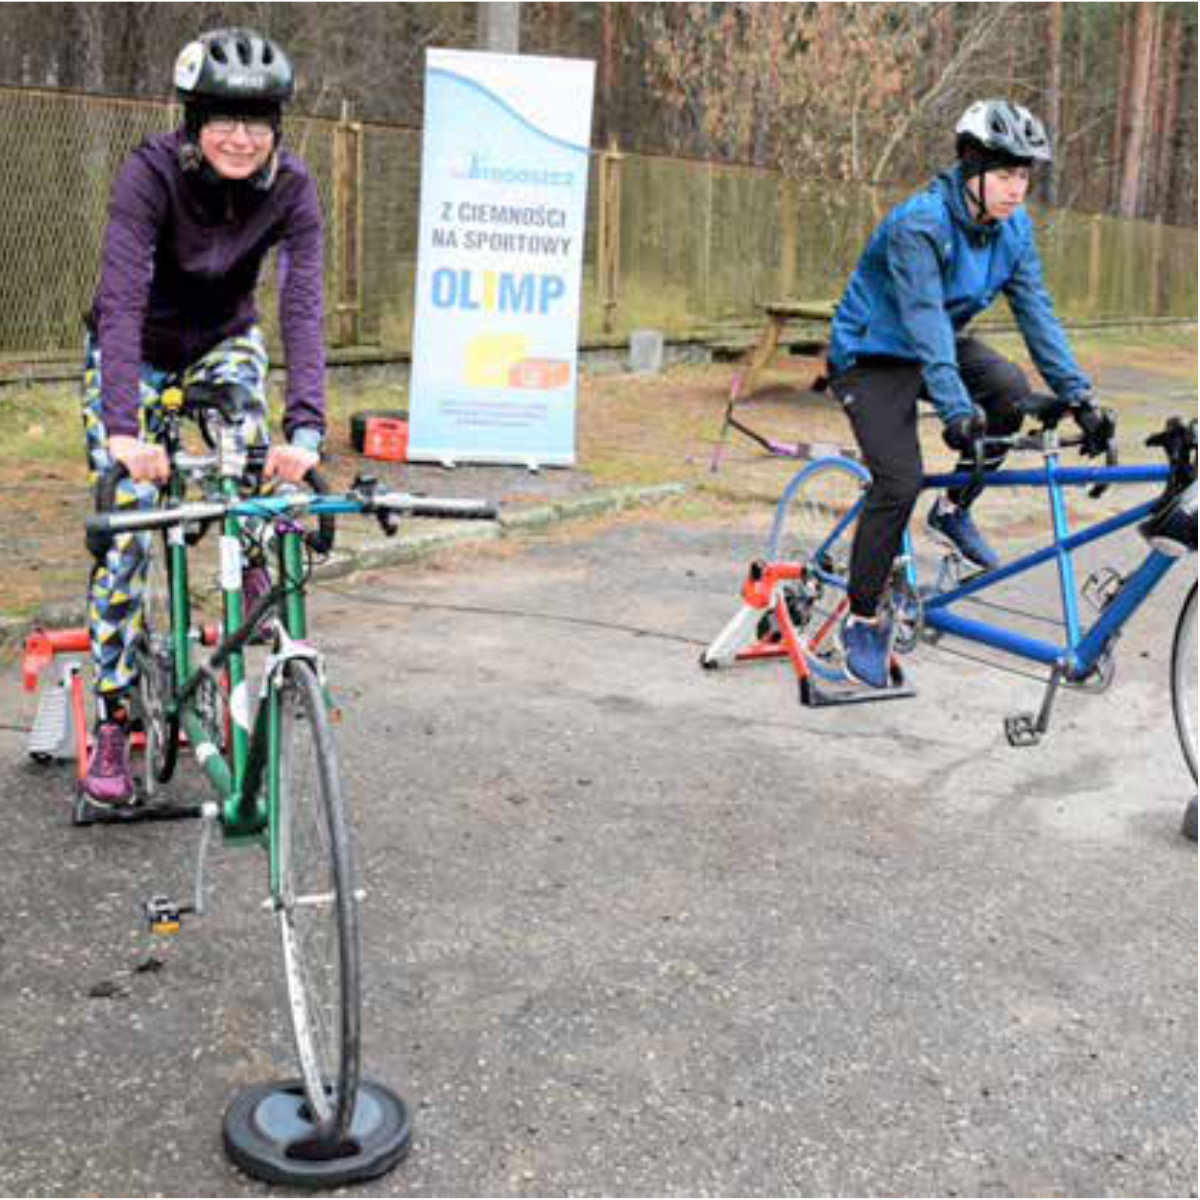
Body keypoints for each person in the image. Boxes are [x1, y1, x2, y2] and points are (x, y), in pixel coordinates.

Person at [81, 28, 327, 806]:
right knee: (130, 520)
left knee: (252, 443)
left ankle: (250, 549)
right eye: (223, 117)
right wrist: (124, 430)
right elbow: (118, 301)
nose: (241, 137)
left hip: (223, 341)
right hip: (137, 353)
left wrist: (309, 431)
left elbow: (303, 306)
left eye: (258, 121)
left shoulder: (291, 187)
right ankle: (116, 715)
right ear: (192, 121)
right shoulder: (150, 173)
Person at [826, 99, 1111, 689]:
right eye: (1005, 175)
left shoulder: (1013, 230)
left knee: (1009, 391)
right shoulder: (920, 224)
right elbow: (925, 318)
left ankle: (953, 510)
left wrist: (1079, 395)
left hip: (932, 344)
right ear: (971, 167)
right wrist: (956, 411)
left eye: (1024, 177)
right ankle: (861, 617)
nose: (1016, 190)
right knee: (899, 479)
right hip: (873, 353)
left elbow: (1037, 314)